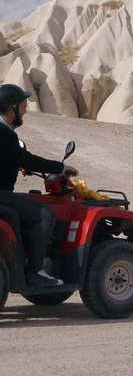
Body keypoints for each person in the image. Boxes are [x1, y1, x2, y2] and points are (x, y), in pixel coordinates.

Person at [0, 84, 78, 287]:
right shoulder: (5, 134)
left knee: (25, 202)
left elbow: (11, 157)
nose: (25, 111)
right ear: (11, 110)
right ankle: (34, 271)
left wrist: (15, 166)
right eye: (23, 107)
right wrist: (61, 167)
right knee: (45, 213)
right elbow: (30, 160)